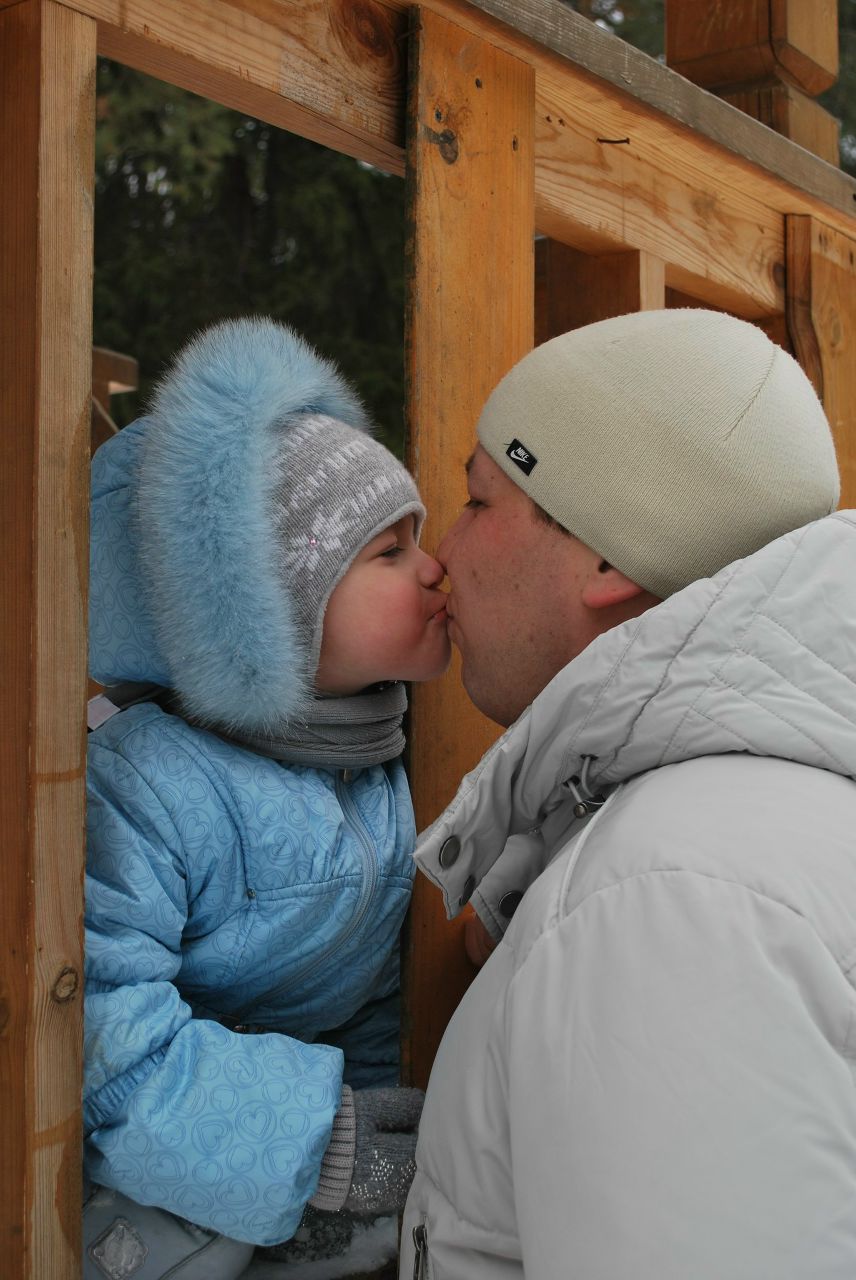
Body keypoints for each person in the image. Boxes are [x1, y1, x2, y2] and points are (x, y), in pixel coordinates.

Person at [399, 307, 856, 1279]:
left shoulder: (667, 898)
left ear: (606, 554)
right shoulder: (729, 837)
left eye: (480, 501)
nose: (443, 550)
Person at [82, 317, 450, 1278]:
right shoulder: (151, 784)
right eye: (388, 553)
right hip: (132, 1181)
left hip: (285, 1180)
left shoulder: (369, 763)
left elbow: (365, 1000)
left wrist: (373, 1126)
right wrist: (323, 1139)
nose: (436, 567)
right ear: (267, 611)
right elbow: (96, 1039)